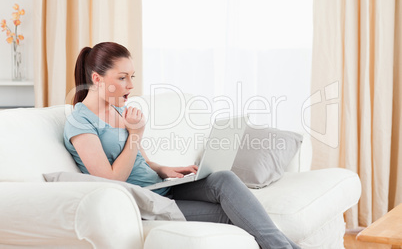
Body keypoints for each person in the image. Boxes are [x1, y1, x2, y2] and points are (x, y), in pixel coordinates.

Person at [64, 42, 300, 249]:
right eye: (122, 77)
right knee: (235, 213)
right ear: (97, 78)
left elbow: (140, 160)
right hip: (143, 201)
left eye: (132, 77)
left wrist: (163, 169)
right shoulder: (80, 122)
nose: (130, 85)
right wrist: (135, 133)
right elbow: (112, 181)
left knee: (224, 178)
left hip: (160, 187)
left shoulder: (119, 109)